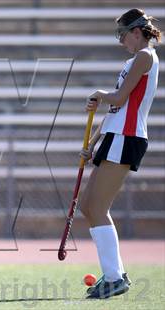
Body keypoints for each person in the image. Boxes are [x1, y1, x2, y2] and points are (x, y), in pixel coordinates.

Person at [79, 9, 161, 299]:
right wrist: (94, 140)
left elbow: (119, 98)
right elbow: (116, 108)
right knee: (88, 205)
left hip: (128, 138)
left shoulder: (145, 57)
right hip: (115, 136)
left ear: (136, 32)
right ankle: (114, 274)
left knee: (97, 207)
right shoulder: (132, 60)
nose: (120, 41)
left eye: (122, 35)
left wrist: (100, 94)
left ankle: (115, 278)